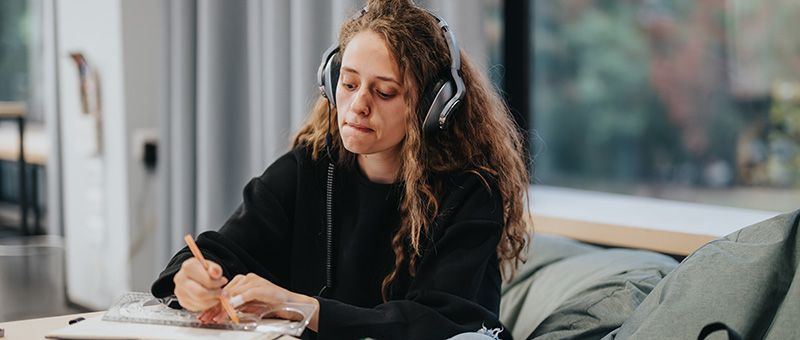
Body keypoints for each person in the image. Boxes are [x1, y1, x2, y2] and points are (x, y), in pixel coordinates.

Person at [151, 0, 530, 338]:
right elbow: (220, 249)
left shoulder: (470, 193)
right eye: (348, 83)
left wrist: (303, 308)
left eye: (384, 92)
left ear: (434, 107)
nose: (358, 105)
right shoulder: (309, 168)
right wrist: (191, 278)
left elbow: (441, 321)